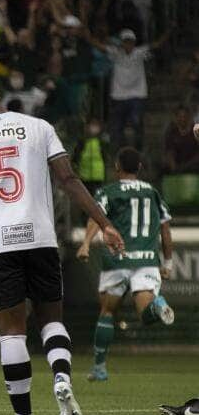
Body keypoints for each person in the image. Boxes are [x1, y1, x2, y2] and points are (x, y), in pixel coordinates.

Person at [0, 71, 124, 415]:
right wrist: (103, 223)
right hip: (41, 238)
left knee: (11, 332)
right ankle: (60, 375)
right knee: (51, 321)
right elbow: (70, 180)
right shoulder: (39, 127)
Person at [77, 147, 175, 382]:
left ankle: (100, 368)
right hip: (146, 260)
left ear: (117, 167)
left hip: (117, 259)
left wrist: (86, 244)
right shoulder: (153, 192)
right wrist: (168, 262)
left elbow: (95, 217)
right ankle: (157, 304)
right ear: (140, 168)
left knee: (107, 311)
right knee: (146, 315)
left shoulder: (109, 191)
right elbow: (165, 228)